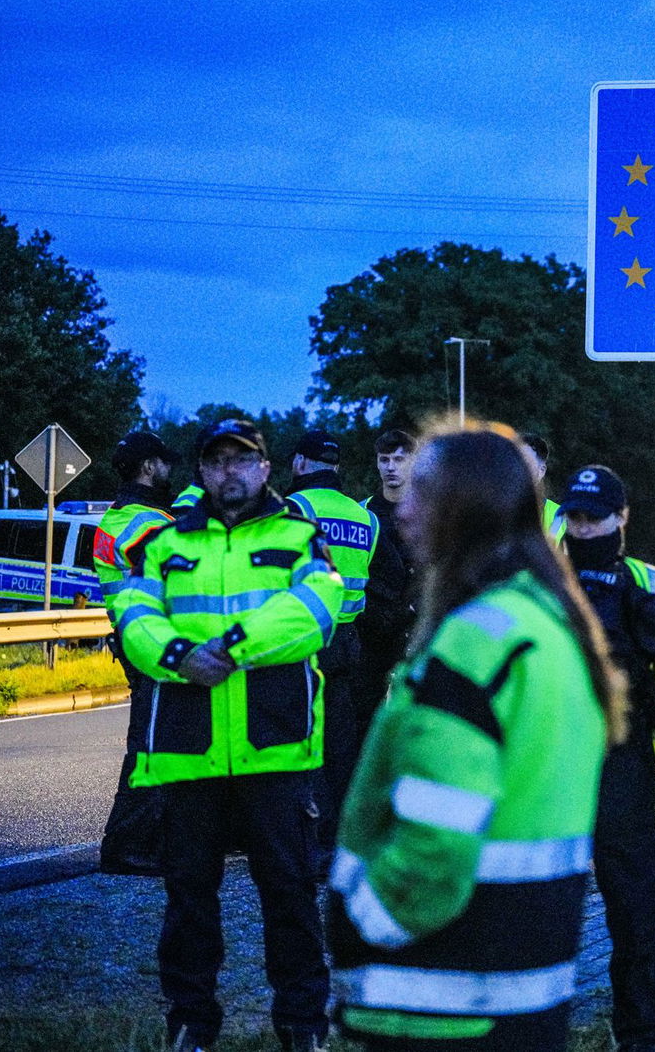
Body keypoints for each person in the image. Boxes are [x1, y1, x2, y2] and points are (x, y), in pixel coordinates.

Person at [327, 421, 624, 1052]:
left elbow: (436, 842)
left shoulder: (473, 641)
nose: (401, 506)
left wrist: (358, 921)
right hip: (521, 988)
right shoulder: (544, 620)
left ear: (463, 509)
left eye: (421, 491)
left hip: (439, 996)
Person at [114, 418, 344, 1052]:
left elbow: (315, 613)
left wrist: (234, 647)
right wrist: (181, 653)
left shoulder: (301, 537)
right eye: (217, 463)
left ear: (265, 469)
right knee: (188, 901)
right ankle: (190, 1025)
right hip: (190, 754)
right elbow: (133, 616)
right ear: (201, 472)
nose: (230, 473)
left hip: (275, 750)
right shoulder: (162, 545)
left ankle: (303, 1027)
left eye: (243, 461)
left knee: (290, 896)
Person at [563, 463, 655, 1052]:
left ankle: (644, 1032)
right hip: (550, 760)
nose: (585, 527)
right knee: (540, 898)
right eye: (575, 516)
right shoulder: (542, 579)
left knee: (637, 900)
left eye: (596, 517)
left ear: (621, 518)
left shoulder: (644, 580)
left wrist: (629, 612)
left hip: (622, 760)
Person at [286, 429, 380, 849]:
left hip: (303, 639)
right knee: (341, 743)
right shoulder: (364, 517)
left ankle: (307, 839)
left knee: (301, 739)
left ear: (300, 464)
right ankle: (337, 842)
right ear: (336, 467)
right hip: (348, 641)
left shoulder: (294, 508)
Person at [96, 430, 178, 876]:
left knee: (156, 742)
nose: (170, 469)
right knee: (149, 746)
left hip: (134, 639)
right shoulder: (147, 524)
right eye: (164, 462)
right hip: (152, 644)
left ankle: (146, 842)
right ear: (149, 467)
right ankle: (126, 847)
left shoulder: (117, 517)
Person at [358, 429, 417, 703]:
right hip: (371, 633)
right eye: (384, 460)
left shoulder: (427, 510)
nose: (390, 467)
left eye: (398, 459)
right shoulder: (362, 513)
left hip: (415, 628)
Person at [522, 431, 567, 544]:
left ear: (541, 471)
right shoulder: (487, 511)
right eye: (513, 461)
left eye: (526, 464)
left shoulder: (561, 517)